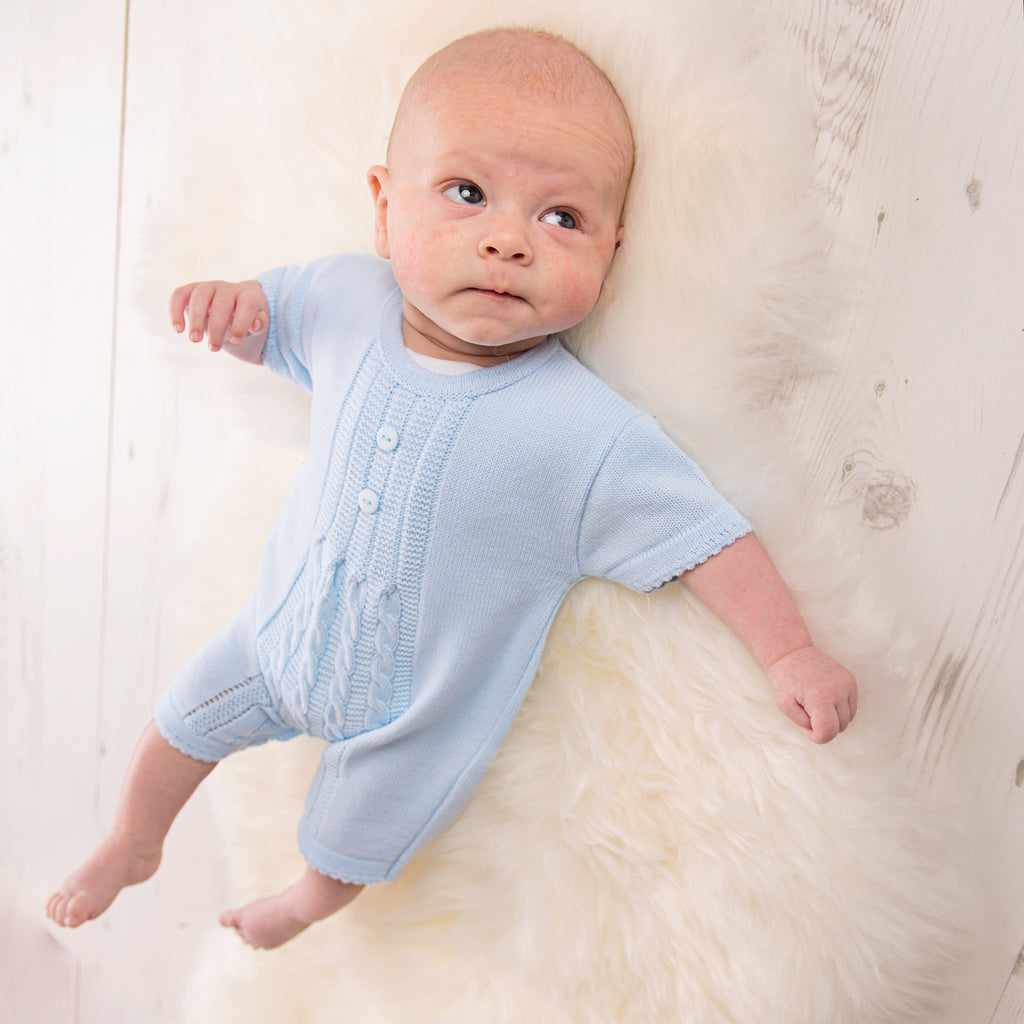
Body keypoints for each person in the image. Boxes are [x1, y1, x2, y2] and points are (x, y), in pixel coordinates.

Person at [47, 27, 857, 951]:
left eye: (562, 218)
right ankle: (134, 838)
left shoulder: (584, 433)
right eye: (466, 194)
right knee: (177, 723)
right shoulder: (345, 299)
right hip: (270, 640)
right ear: (385, 210)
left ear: (615, 247)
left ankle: (306, 899)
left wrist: (790, 652)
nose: (508, 240)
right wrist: (232, 313)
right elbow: (270, 322)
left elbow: (709, 537)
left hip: (417, 718)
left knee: (356, 843)